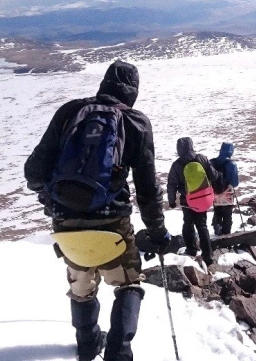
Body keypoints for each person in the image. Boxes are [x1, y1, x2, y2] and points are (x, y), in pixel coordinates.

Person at [24, 60, 171, 361]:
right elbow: (147, 190)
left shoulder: (70, 112)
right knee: (128, 284)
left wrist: (51, 202)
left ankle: (88, 344)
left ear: (104, 84)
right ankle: (119, 353)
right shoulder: (136, 123)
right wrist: (157, 232)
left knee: (81, 289)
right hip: (112, 226)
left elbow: (33, 171)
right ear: (133, 92)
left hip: (66, 225)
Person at [167, 137, 220, 265]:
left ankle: (191, 250)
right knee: (202, 226)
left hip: (187, 201)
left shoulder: (176, 165)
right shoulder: (202, 158)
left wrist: (172, 201)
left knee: (188, 224)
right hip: (203, 199)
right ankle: (208, 255)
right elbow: (213, 175)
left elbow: (171, 184)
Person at [210, 142, 239, 235]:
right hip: (227, 193)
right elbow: (235, 183)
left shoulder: (212, 162)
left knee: (217, 212)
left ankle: (217, 229)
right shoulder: (231, 164)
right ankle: (226, 235)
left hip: (214, 192)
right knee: (227, 215)